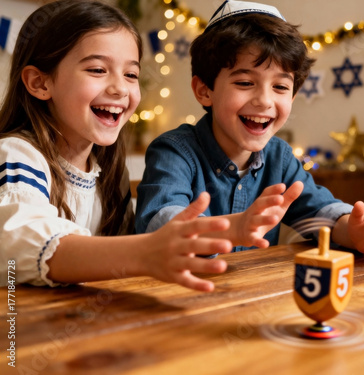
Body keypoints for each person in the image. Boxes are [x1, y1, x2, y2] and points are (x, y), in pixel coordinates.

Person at [0, 0, 293, 292]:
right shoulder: (16, 155)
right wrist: (145, 252)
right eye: (98, 70)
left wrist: (223, 230)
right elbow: (23, 246)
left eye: (131, 74)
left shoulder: (108, 173)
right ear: (40, 83)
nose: (120, 88)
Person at [135, 0, 364, 256]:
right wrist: (231, 230)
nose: (264, 100)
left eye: (280, 87)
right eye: (245, 82)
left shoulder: (280, 158)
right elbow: (162, 224)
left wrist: (354, 232)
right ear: (204, 90)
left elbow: (317, 214)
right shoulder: (175, 151)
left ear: (293, 96)